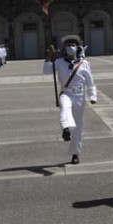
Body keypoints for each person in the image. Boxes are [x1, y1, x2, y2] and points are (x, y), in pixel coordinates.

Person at [45, 36, 97, 165]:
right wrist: (49, 55)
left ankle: (75, 153)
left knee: (78, 127)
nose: (70, 47)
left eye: (73, 45)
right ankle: (66, 129)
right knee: (65, 107)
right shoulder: (59, 62)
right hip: (66, 93)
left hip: (79, 96)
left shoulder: (84, 63)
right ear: (64, 48)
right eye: (68, 45)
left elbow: (90, 82)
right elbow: (46, 71)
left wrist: (92, 96)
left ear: (78, 47)